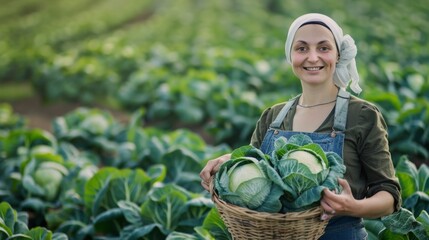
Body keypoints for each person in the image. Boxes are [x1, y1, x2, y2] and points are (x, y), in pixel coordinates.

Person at [200, 13, 401, 239]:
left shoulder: (363, 115)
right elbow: (258, 166)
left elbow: (389, 196)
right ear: (290, 55)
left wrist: (352, 206)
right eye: (302, 48)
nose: (313, 57)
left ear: (338, 55)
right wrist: (228, 162)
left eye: (323, 48)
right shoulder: (272, 116)